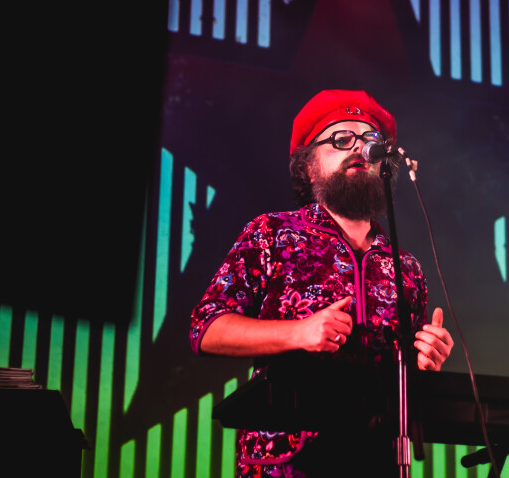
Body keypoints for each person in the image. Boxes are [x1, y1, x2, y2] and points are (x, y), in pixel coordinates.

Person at [190, 89, 454, 477]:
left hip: (378, 462)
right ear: (310, 168)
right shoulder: (272, 233)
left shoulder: (406, 267)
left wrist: (427, 361)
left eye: (370, 140)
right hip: (288, 463)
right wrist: (299, 333)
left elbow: (408, 384)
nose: (360, 148)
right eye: (341, 139)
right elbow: (205, 328)